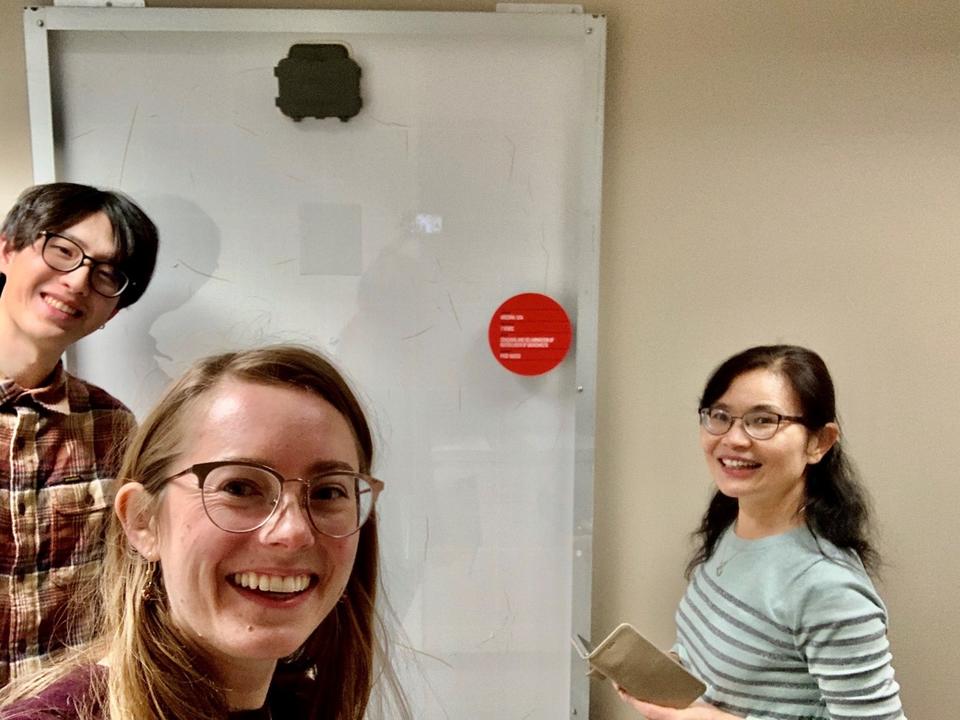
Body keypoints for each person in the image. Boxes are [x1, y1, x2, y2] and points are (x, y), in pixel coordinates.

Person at [0, 345, 410, 720]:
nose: (293, 531)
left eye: (327, 492)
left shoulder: (303, 704)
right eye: (239, 488)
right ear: (143, 521)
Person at [618, 345, 905, 720]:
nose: (734, 439)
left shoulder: (826, 586)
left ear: (819, 442)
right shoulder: (731, 528)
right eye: (720, 416)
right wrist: (670, 670)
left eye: (763, 420)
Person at [0, 183, 159, 686]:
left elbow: (126, 588)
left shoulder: (114, 428)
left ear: (114, 311)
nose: (78, 280)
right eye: (64, 250)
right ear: (6, 249)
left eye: (107, 273)